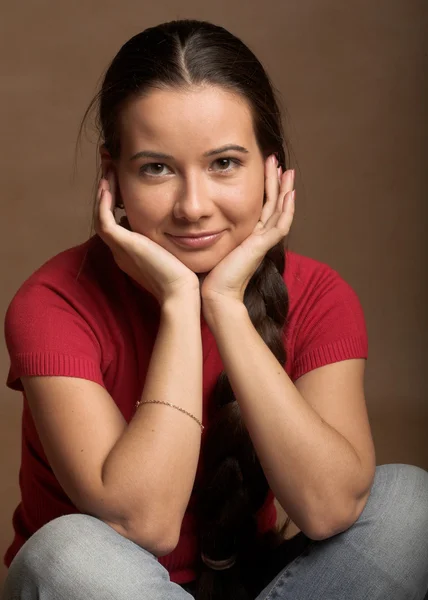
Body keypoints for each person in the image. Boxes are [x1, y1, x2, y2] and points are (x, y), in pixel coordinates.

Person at [2, 18, 428, 600]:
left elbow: (328, 509)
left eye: (224, 163)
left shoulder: (320, 294)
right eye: (157, 168)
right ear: (112, 177)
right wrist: (181, 304)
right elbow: (144, 524)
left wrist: (225, 304)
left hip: (265, 588)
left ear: (271, 171)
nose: (194, 206)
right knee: (66, 555)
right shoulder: (52, 303)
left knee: (410, 506)